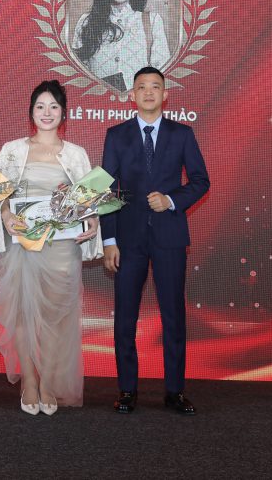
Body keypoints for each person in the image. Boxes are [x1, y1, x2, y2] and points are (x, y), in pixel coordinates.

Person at [0, 80, 102, 415]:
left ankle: (48, 381)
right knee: (21, 312)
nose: (47, 113)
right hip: (23, 246)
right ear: (31, 112)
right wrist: (6, 215)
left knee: (56, 317)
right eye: (40, 107)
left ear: (64, 113)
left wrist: (91, 220)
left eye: (54, 107)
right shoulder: (12, 150)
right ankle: (29, 380)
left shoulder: (75, 154)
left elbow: (87, 203)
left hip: (61, 249)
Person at [101, 66, 209, 415]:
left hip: (169, 237)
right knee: (125, 318)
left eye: (155, 87)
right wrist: (109, 240)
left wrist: (172, 200)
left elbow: (200, 181)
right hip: (128, 239)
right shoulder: (116, 135)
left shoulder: (182, 134)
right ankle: (127, 390)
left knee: (174, 316)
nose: (148, 92)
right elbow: (106, 191)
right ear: (132, 95)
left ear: (165, 94)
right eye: (142, 87)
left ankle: (175, 391)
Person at [67, 0, 172, 92]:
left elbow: (161, 76)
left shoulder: (152, 22)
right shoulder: (86, 22)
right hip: (98, 103)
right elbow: (78, 77)